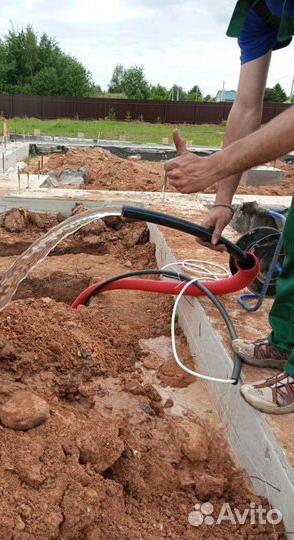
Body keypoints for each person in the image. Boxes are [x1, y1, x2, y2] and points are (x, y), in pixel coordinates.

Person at [164, 0, 294, 415]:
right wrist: (223, 200)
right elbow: (247, 105)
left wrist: (213, 166)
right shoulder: (260, 9)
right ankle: (285, 343)